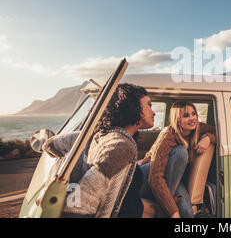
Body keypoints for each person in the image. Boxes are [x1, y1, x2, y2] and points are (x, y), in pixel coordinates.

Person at [42, 83, 155, 217]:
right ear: (134, 107)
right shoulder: (121, 145)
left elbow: (49, 145)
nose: (153, 112)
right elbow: (85, 200)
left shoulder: (90, 137)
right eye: (149, 105)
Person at [139, 101, 216, 218]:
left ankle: (165, 201)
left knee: (187, 213)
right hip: (148, 174)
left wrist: (209, 138)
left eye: (193, 114)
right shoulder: (168, 136)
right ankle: (165, 204)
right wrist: (173, 211)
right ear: (177, 119)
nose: (192, 118)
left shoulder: (198, 128)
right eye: (186, 116)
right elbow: (155, 177)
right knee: (181, 152)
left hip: (171, 177)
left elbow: (222, 134)